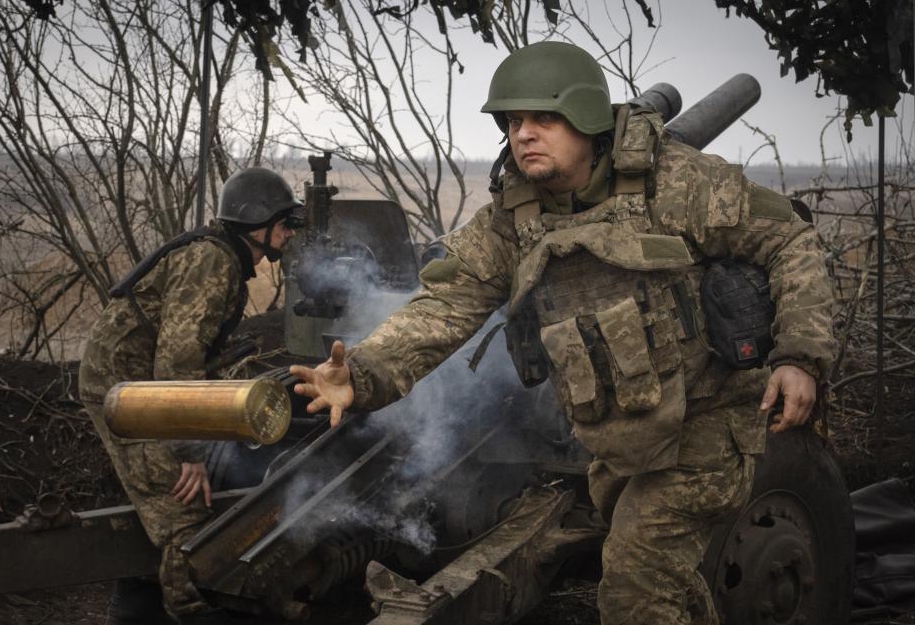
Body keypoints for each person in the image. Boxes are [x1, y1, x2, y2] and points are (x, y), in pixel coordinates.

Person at [290, 41, 836, 624]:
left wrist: (800, 355)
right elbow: (444, 306)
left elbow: (788, 240)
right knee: (666, 585)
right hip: (618, 435)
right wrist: (364, 374)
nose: (524, 134)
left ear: (587, 119)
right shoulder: (512, 219)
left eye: (544, 118)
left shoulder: (676, 183)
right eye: (514, 121)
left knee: (635, 584)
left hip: (706, 422)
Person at [79, 167, 301, 625]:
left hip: (142, 389)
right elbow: (177, 363)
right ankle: (192, 612)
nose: (288, 231)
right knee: (181, 514)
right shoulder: (213, 261)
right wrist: (190, 452)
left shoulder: (219, 257)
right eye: (283, 221)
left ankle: (137, 612)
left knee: (169, 503)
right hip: (128, 395)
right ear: (254, 222)